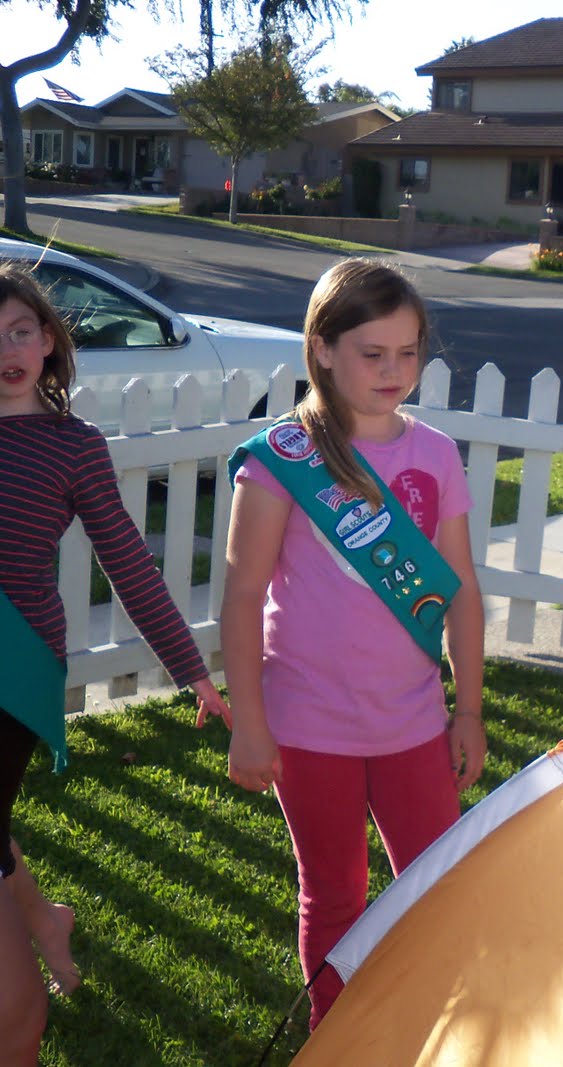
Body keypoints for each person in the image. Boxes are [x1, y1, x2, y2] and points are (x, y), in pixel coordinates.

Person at [220, 259, 485, 1029]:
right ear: (324, 349)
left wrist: (467, 708)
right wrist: (249, 719)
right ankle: (339, 1038)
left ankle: (426, 1027)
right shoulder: (280, 458)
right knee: (333, 892)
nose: (395, 371)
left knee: (434, 886)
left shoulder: (434, 452)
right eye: (374, 353)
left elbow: (461, 590)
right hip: (307, 725)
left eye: (409, 353)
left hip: (413, 721)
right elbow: (241, 597)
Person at [0, 265, 229, 1062]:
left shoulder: (73, 446)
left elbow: (128, 563)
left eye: (21, 330)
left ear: (51, 341)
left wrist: (192, 669)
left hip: (16, 662)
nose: (8, 350)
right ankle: (44, 921)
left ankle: (17, 1032)